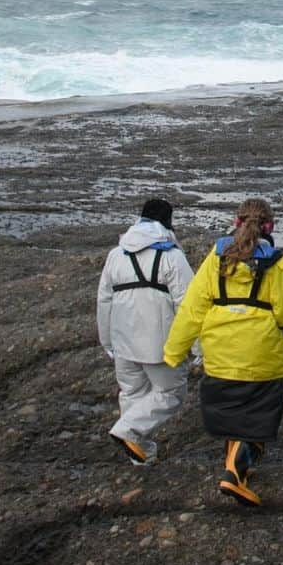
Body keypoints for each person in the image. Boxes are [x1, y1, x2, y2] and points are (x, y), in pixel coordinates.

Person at [163, 198, 283, 507]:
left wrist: (174, 352)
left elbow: (191, 310)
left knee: (233, 416)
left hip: (220, 355)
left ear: (236, 221)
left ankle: (237, 470)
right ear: (270, 226)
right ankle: (235, 471)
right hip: (261, 357)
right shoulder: (277, 266)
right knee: (257, 420)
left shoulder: (215, 260)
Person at [97, 198, 194, 466]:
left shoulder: (116, 254)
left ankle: (141, 458)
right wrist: (198, 347)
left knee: (133, 394)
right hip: (159, 344)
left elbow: (104, 300)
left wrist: (107, 340)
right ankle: (126, 430)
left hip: (122, 341)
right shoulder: (172, 257)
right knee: (172, 393)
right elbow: (189, 304)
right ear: (168, 222)